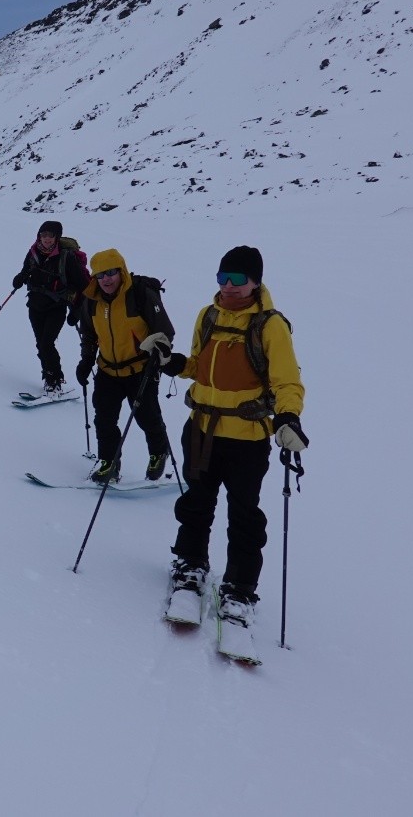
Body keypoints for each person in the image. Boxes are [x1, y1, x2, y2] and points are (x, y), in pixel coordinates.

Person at [162, 245, 308, 631]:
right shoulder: (207, 315)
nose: (228, 286)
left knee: (244, 514)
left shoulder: (270, 325)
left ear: (255, 282)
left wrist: (288, 417)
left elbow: (287, 380)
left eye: (238, 279)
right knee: (196, 502)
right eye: (222, 278)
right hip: (201, 428)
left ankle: (240, 589)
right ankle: (190, 566)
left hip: (246, 437)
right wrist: (175, 364)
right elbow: (198, 366)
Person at [74, 249, 177, 485]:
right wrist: (86, 360)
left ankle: (159, 452)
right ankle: (109, 462)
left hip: (140, 369)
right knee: (104, 419)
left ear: (121, 271)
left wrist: (159, 354)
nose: (106, 280)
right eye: (100, 275)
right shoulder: (92, 301)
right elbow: (89, 334)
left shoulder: (139, 295)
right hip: (107, 370)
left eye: (111, 273)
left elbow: (165, 332)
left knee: (147, 416)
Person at [11, 221, 89, 398]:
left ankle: (55, 380)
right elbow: (26, 270)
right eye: (43, 235)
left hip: (56, 307)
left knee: (47, 343)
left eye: (50, 235)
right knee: (41, 344)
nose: (46, 239)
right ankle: (48, 376)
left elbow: (83, 286)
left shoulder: (66, 257)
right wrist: (20, 277)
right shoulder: (33, 252)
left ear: (57, 237)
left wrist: (76, 311)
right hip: (35, 305)